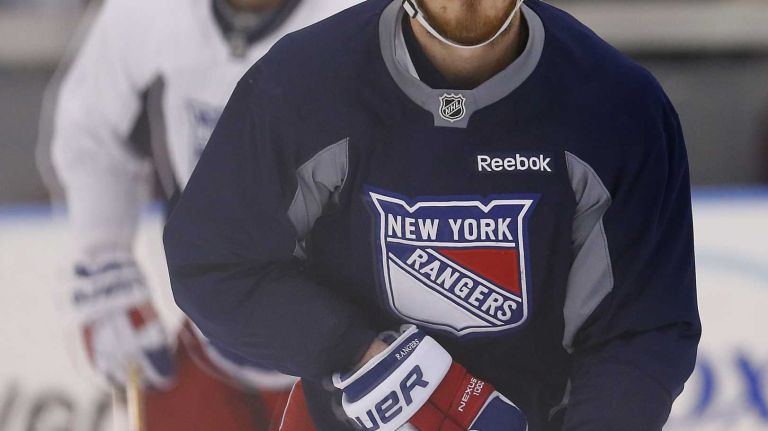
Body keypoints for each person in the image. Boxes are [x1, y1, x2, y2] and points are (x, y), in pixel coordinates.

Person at [163, 0, 702, 429]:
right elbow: (213, 260)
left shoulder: (618, 109)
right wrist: (360, 355)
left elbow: (642, 330)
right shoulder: (305, 84)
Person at [45, 0, 354, 429]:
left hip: (345, 351)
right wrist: (104, 256)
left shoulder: (364, 17)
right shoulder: (151, 11)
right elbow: (90, 129)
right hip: (207, 336)